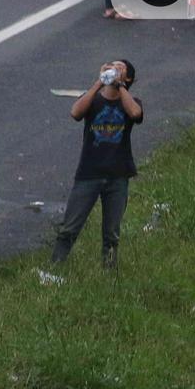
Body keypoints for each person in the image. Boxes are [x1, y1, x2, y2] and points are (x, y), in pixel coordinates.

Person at [51, 60, 144, 268]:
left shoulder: (131, 101)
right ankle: (55, 268)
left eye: (120, 68)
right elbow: (75, 112)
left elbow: (136, 114)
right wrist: (98, 83)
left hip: (118, 175)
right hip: (89, 173)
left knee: (111, 234)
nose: (113, 69)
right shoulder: (94, 101)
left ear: (128, 78)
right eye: (111, 65)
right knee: (69, 228)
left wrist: (120, 86)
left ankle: (109, 274)